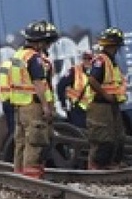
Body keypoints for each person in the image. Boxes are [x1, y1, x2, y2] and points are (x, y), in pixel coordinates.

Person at [8, 19, 59, 178]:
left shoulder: (19, 55)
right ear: (40, 42)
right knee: (35, 140)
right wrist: (46, 107)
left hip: (21, 105)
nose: (49, 46)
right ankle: (32, 176)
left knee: (21, 141)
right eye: (48, 42)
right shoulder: (34, 58)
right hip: (33, 105)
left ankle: (19, 173)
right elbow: (38, 83)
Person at [85, 27, 128, 170]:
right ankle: (97, 166)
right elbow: (92, 80)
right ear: (114, 45)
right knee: (102, 138)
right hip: (100, 105)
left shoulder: (111, 61)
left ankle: (112, 164)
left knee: (118, 136)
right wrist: (105, 94)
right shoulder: (101, 61)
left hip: (112, 105)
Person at [56, 49, 94, 128]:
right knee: (80, 133)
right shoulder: (74, 70)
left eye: (89, 58)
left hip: (94, 108)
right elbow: (60, 86)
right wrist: (63, 104)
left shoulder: (97, 70)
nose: (87, 61)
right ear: (82, 59)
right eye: (85, 58)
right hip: (77, 108)